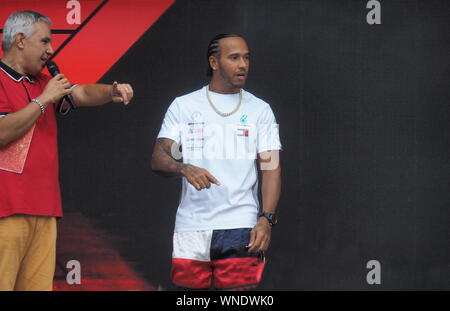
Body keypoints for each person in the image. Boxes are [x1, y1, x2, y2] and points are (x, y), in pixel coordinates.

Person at [0, 11, 134, 291]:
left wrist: (111, 91)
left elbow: (81, 93)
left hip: (45, 208)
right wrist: (43, 100)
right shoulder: (26, 86)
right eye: (45, 41)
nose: (51, 50)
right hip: (6, 209)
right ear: (21, 40)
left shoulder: (41, 82)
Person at [151, 33, 282, 290]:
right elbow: (158, 158)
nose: (243, 64)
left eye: (246, 58)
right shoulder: (184, 106)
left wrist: (266, 220)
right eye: (234, 58)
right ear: (214, 62)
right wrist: (184, 167)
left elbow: (271, 169)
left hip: (241, 227)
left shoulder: (260, 110)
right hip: (192, 227)